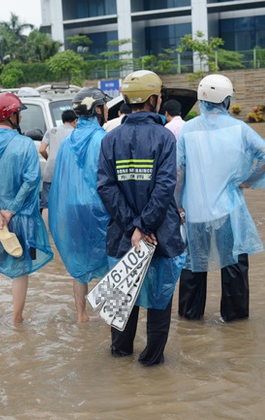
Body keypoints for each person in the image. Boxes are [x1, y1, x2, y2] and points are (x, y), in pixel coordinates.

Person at [98, 70, 185, 366]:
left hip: (123, 235)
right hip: (158, 234)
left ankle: (120, 356)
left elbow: (106, 187)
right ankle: (151, 361)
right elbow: (164, 187)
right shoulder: (164, 137)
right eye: (159, 96)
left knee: (122, 299)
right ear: (152, 100)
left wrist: (131, 227)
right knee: (159, 302)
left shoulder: (110, 139)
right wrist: (143, 226)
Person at [176, 74, 265, 323]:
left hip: (195, 212)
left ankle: (190, 319)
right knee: (233, 267)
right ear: (227, 100)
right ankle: (235, 323)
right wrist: (248, 181)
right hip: (228, 212)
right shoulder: (239, 129)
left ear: (201, 100)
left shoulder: (187, 130)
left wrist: (177, 205)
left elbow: (178, 172)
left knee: (192, 267)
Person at [0, 92, 53, 323]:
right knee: (21, 268)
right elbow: (32, 180)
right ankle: (17, 319)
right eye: (18, 113)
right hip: (21, 218)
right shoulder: (25, 144)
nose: (20, 118)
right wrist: (10, 210)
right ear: (11, 116)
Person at [48, 88, 111, 323]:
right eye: (103, 107)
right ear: (96, 110)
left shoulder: (67, 141)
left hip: (72, 210)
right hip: (98, 210)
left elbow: (60, 181)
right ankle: (108, 316)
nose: (106, 111)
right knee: (108, 261)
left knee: (78, 263)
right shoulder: (104, 138)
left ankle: (81, 315)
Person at [38, 109, 78, 225]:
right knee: (66, 203)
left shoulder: (52, 131)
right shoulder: (75, 134)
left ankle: (45, 235)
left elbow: (41, 149)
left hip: (50, 171)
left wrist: (49, 159)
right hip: (67, 173)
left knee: (46, 204)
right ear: (75, 121)